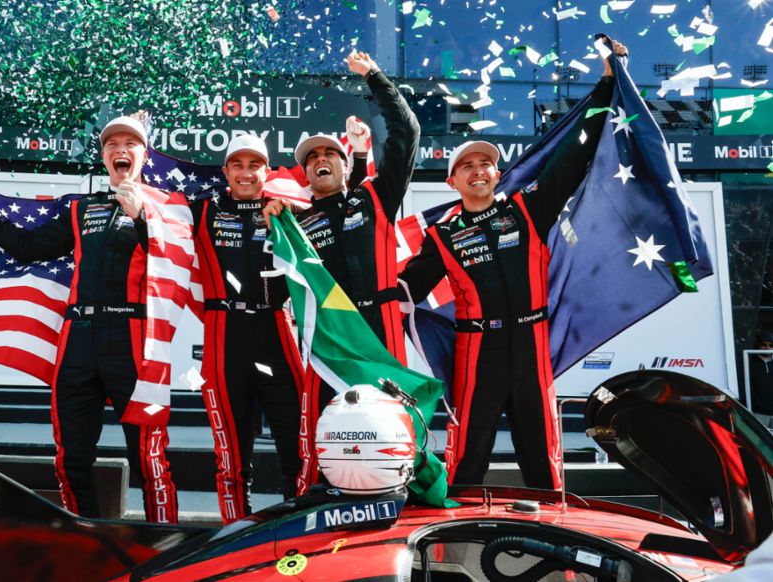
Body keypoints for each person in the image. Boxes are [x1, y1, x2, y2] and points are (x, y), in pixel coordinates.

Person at [399, 37, 627, 490]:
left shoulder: (526, 211)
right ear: (453, 179)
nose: (478, 170)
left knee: (541, 457)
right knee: (467, 458)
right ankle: (448, 543)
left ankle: (555, 542)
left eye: (486, 163)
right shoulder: (441, 235)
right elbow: (401, 290)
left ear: (497, 175)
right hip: (476, 351)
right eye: (468, 165)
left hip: (530, 342)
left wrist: (606, 85)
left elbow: (571, 157)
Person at [0, 115, 178, 524]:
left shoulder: (169, 206)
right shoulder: (81, 208)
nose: (120, 150)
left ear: (146, 155)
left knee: (148, 457)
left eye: (131, 143)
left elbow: (176, 263)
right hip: (77, 337)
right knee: (71, 456)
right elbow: (27, 246)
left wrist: (143, 216)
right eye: (112, 144)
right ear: (104, 156)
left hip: (133, 339)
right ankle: (85, 538)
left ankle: (165, 545)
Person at [265, 49, 420, 494]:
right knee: (325, 428)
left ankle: (399, 502)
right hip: (329, 338)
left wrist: (374, 78)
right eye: (311, 157)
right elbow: (277, 289)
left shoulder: (375, 198)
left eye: (328, 153)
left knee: (392, 425)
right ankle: (318, 508)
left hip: (379, 332)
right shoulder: (294, 223)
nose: (319, 160)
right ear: (306, 173)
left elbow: (407, 132)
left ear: (345, 164)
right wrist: (272, 228)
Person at [190, 134, 305, 523]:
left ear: (266, 171)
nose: (245, 172)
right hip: (225, 332)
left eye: (254, 164)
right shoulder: (203, 211)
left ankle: (299, 529)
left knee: (297, 447)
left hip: (277, 327)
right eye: (237, 165)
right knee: (232, 455)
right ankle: (235, 533)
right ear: (225, 172)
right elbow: (151, 213)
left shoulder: (285, 211)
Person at [749, 332, 773, 427]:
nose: (767, 347)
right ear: (758, 345)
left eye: (771, 345)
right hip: (757, 413)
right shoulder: (749, 362)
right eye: (763, 344)